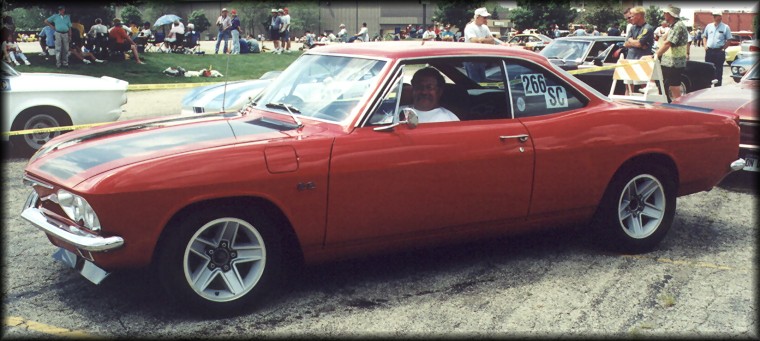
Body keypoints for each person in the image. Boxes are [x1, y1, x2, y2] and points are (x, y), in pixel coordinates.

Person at [656, 5, 688, 100]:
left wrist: (656, 55)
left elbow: (668, 43)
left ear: (671, 14)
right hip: (670, 62)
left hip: (674, 63)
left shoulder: (678, 26)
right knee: (666, 85)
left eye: (666, 13)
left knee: (674, 85)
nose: (664, 14)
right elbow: (665, 39)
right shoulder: (674, 26)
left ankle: (678, 108)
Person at [623, 6, 654, 95]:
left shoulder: (647, 28)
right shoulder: (632, 28)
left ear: (639, 15)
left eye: (632, 16)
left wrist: (633, 41)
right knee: (628, 88)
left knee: (644, 89)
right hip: (630, 59)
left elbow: (638, 44)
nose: (630, 18)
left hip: (642, 62)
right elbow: (626, 43)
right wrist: (634, 42)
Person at [703, 11, 732, 86]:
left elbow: (729, 39)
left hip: (719, 51)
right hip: (709, 51)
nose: (714, 17)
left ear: (720, 17)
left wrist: (723, 48)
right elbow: (704, 36)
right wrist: (705, 46)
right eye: (713, 15)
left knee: (718, 70)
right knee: (708, 68)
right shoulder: (709, 26)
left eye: (716, 15)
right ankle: (707, 85)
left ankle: (718, 87)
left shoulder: (725, 27)